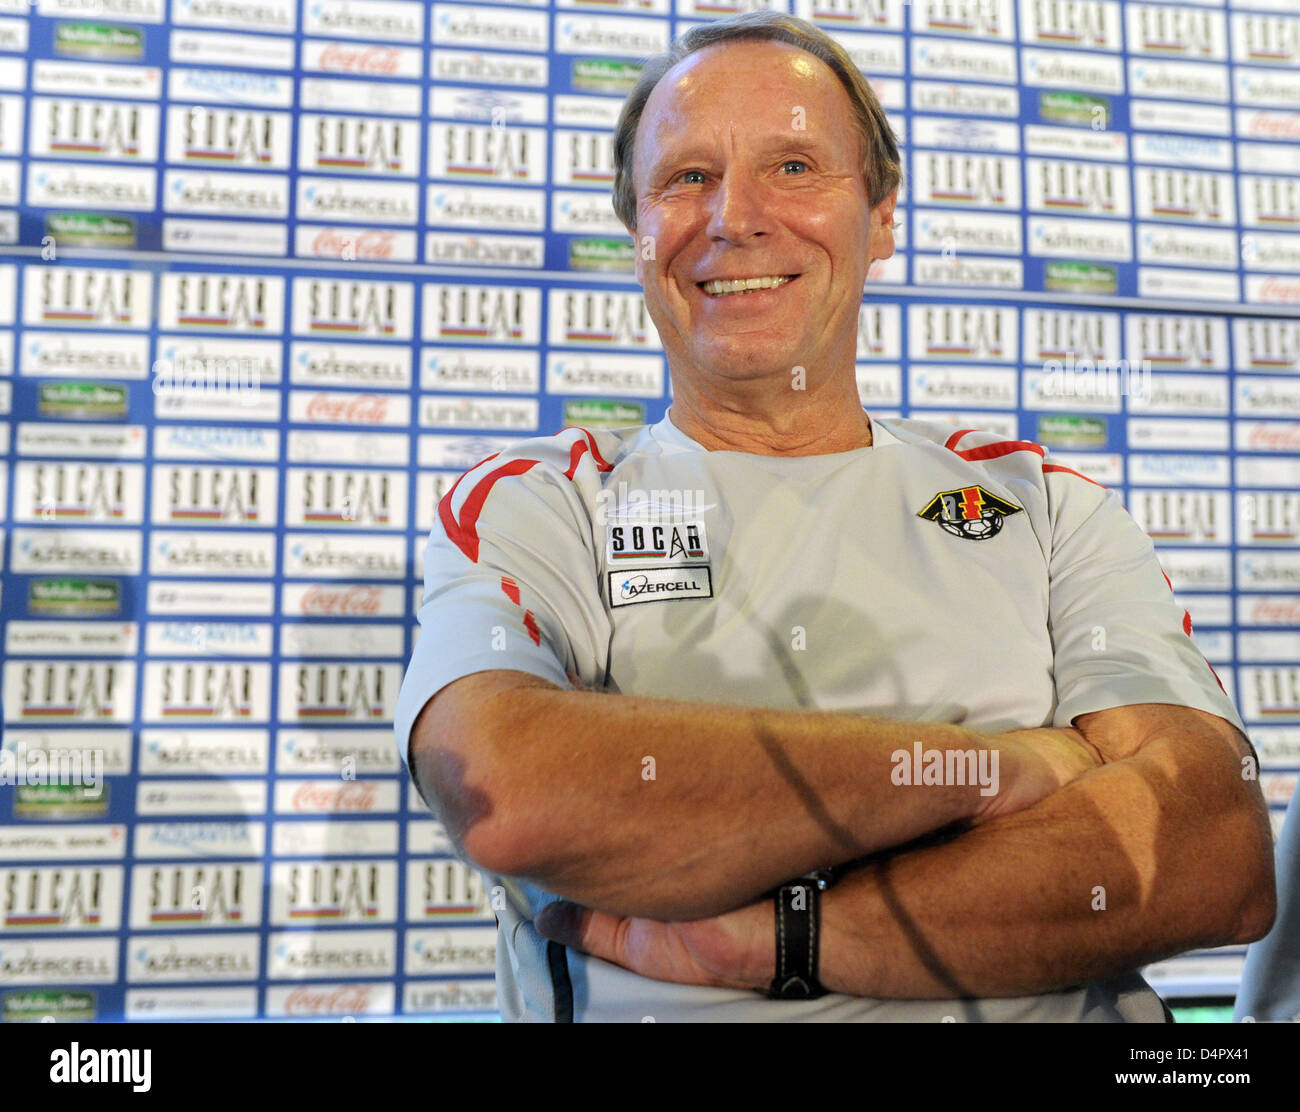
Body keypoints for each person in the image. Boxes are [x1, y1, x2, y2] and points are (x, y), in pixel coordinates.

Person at [394, 11, 1274, 1022]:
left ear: (882, 214)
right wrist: (1002, 767)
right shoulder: (542, 502)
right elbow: (512, 790)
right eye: (685, 177)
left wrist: (778, 938)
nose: (736, 216)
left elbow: (1208, 851)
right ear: (633, 225)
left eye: (795, 166)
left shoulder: (1040, 504)